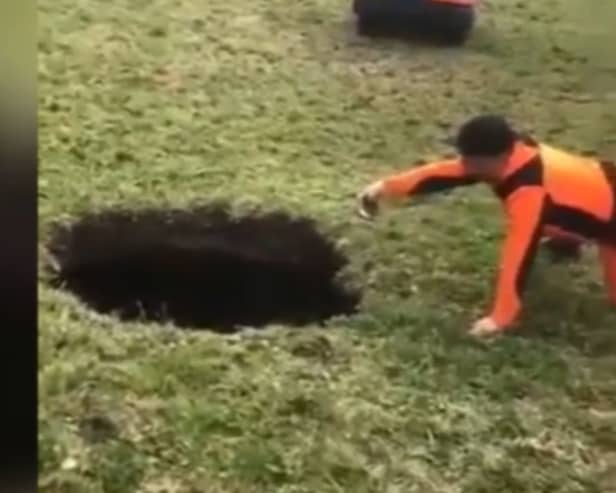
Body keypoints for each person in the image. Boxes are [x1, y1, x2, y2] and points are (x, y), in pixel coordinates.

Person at [357, 114, 616, 337]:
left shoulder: (528, 192)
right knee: (560, 214)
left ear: (501, 155)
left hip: (609, 220)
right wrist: (386, 187)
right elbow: (447, 173)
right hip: (594, 184)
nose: (467, 168)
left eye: (475, 163)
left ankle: (571, 239)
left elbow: (519, 253)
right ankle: (567, 242)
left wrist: (500, 317)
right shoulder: (516, 151)